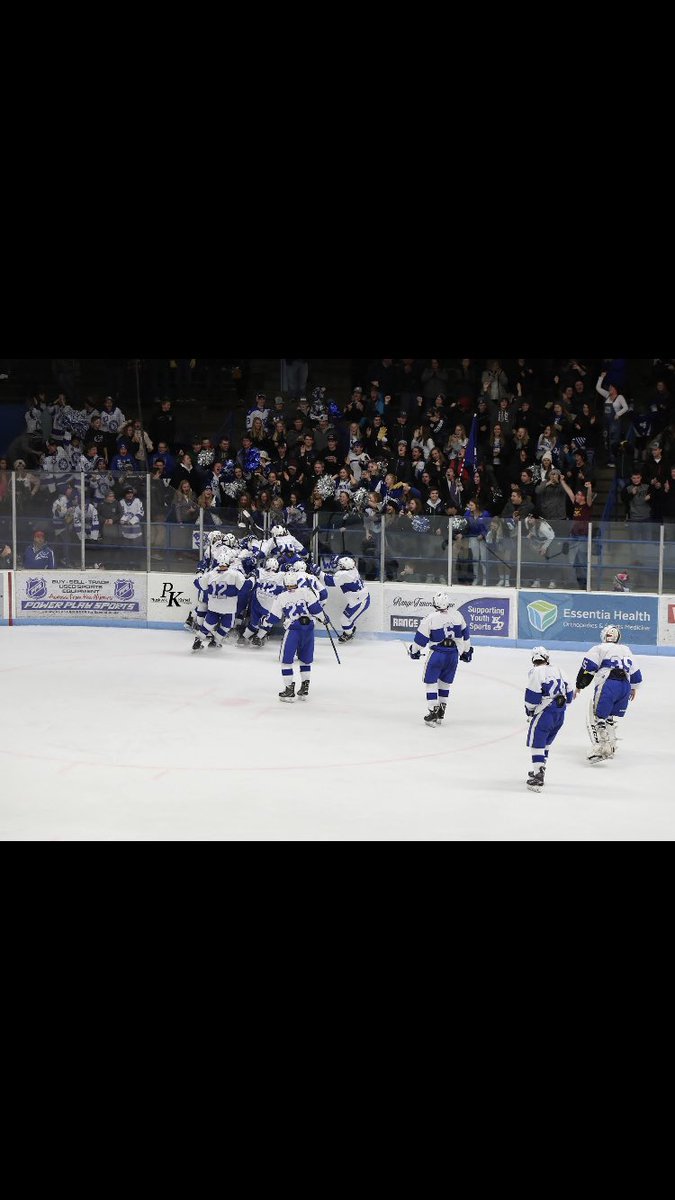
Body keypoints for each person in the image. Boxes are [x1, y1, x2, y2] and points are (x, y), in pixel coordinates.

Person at [574, 624, 643, 763]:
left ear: (605, 636)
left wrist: (579, 685)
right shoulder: (626, 649)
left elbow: (589, 668)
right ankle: (612, 744)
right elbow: (636, 673)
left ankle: (601, 747)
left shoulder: (599, 648)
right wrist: (634, 687)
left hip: (608, 684)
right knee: (609, 716)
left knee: (597, 716)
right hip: (624, 686)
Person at [407, 591, 473, 726]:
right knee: (445, 683)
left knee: (431, 682)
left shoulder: (430, 618)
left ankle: (433, 711)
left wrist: (414, 651)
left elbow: (420, 640)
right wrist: (466, 651)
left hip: (437, 654)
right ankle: (441, 711)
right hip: (453, 655)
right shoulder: (457, 615)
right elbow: (466, 637)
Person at [265, 570, 327, 701]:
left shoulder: (281, 597)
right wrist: (324, 619)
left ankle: (289, 690)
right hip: (309, 629)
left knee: (286, 661)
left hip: (293, 630)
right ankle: (305, 688)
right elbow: (316, 609)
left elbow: (274, 618)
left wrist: (264, 620)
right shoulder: (307, 592)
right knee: (305, 659)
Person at [524, 647, 573, 790]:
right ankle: (540, 768)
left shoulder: (536, 672)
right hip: (560, 713)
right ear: (547, 658)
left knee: (537, 743)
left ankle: (538, 775)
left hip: (545, 712)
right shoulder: (559, 669)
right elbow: (569, 694)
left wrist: (530, 710)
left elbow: (532, 696)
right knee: (545, 743)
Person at [319, 555, 371, 643]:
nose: (338, 566)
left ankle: (349, 633)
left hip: (360, 602)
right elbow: (344, 564)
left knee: (344, 620)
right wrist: (338, 560)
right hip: (357, 599)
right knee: (345, 619)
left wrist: (318, 573)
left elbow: (329, 581)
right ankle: (350, 629)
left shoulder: (345, 575)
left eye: (340, 565)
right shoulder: (352, 569)